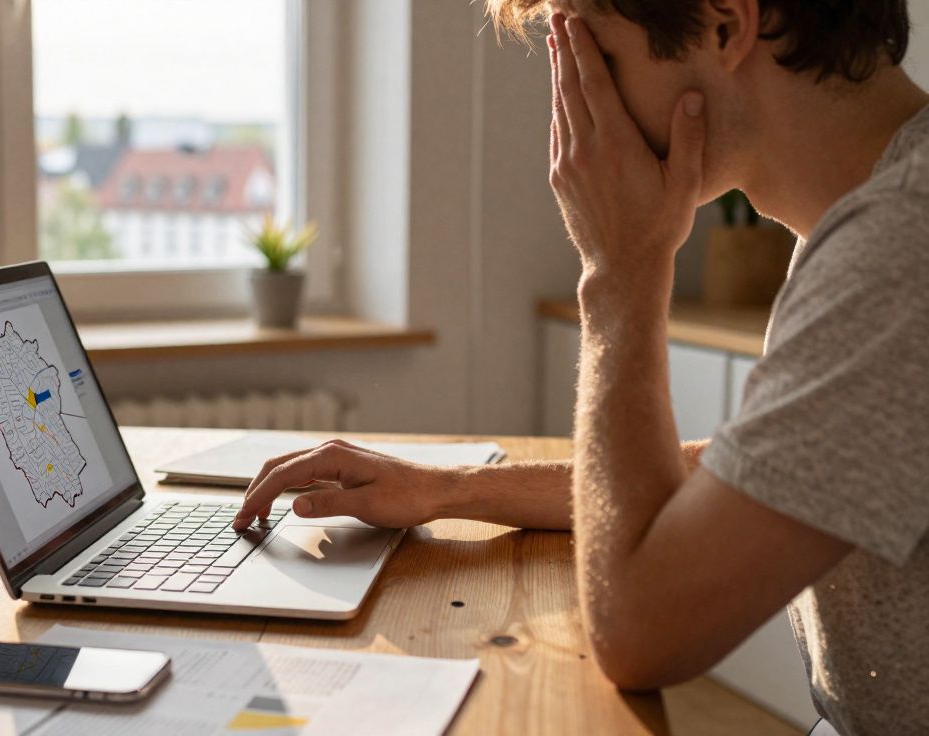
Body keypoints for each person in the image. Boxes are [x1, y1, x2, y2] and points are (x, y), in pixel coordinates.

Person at [232, 1, 929, 732]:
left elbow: (639, 633)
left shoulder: (896, 255)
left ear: (725, 27)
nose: (573, 104)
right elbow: (742, 478)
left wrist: (619, 269)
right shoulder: (867, 221)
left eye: (595, 57)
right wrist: (444, 489)